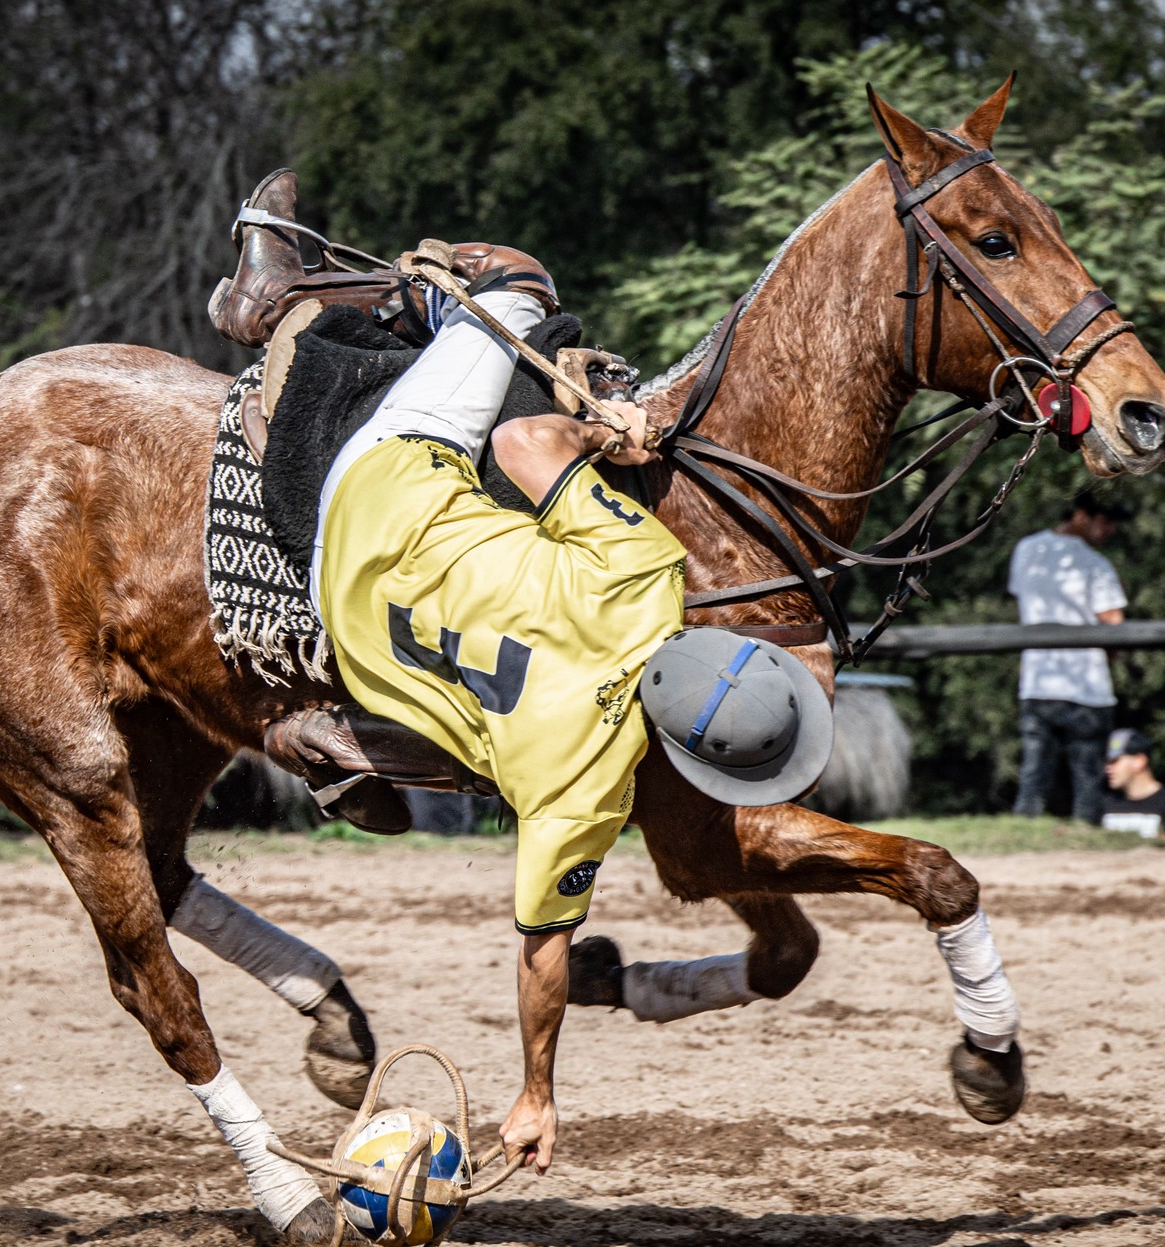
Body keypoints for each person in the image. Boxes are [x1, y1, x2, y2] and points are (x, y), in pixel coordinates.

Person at [311, 266, 834, 1175]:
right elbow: (543, 955)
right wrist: (535, 1094)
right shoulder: (586, 789)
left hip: (383, 482)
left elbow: (521, 439)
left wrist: (608, 432)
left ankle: (321, 298)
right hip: (352, 625)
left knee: (517, 279)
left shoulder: (644, 568)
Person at [1008, 490, 1131, 824]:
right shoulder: (1095, 563)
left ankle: (1024, 829)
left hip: (1037, 680)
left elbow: (1022, 597)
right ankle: (1085, 831)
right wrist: (1113, 655)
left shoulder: (1027, 549)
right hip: (1086, 684)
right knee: (1088, 775)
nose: (1110, 530)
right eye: (1105, 521)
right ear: (1081, 516)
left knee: (1034, 772)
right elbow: (1113, 622)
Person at [1100, 728, 1165, 838]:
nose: (1107, 769)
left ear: (1139, 761)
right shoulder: (1107, 804)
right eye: (1107, 762)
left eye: (1114, 761)